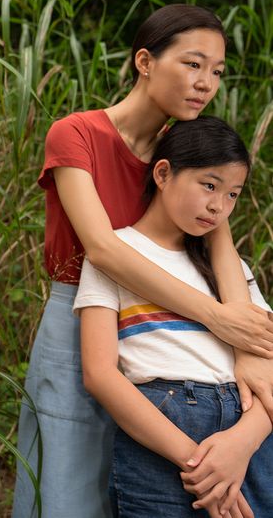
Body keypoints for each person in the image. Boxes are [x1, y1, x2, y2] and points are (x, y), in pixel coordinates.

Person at [11, 4, 273, 518]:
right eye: (193, 64)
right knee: (67, 492)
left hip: (166, 337)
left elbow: (220, 248)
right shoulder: (77, 134)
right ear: (145, 61)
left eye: (217, 71)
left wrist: (243, 345)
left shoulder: (188, 155)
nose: (206, 83)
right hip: (84, 318)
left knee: (138, 489)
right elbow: (104, 250)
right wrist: (218, 317)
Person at [76, 116, 273, 518]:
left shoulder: (231, 269)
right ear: (163, 173)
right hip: (162, 432)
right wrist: (197, 461)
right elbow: (100, 374)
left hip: (248, 430)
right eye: (209, 185)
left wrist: (243, 443)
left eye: (233, 194)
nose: (219, 206)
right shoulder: (118, 255)